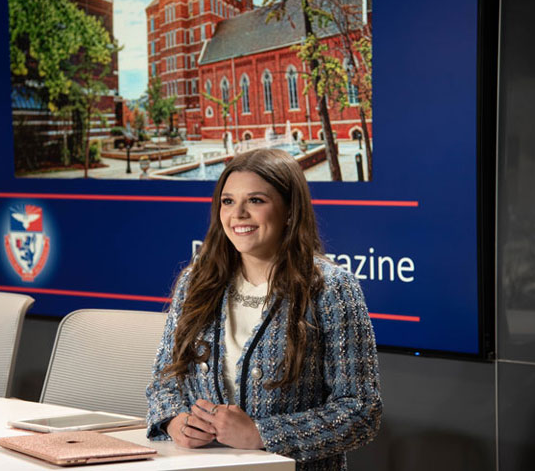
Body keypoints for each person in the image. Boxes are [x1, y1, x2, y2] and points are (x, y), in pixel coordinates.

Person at [146, 148, 382, 469]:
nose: (238, 214)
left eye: (255, 201)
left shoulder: (330, 287)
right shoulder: (196, 281)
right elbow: (164, 379)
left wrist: (261, 433)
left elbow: (360, 411)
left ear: (289, 211)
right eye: (228, 201)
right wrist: (175, 421)